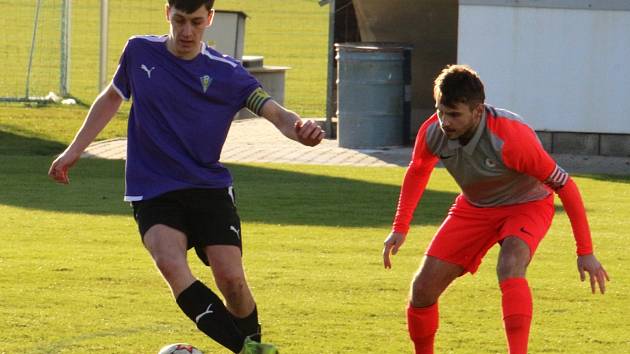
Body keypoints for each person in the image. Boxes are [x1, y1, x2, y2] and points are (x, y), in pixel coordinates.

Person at [48, 1, 325, 353]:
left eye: (196, 22)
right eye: (179, 21)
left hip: (208, 188)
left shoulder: (228, 73)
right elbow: (112, 97)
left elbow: (278, 114)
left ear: (210, 18)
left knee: (232, 281)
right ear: (168, 14)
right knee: (171, 265)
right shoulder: (139, 52)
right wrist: (74, 150)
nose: (187, 32)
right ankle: (252, 350)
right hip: (153, 189)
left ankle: (249, 346)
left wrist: (301, 129)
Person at [382, 64, 609, 354]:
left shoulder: (512, 138)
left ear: (477, 112)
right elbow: (418, 170)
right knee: (422, 290)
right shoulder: (432, 132)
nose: (444, 122)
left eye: (454, 114)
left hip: (526, 204)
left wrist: (585, 251)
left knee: (510, 265)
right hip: (474, 207)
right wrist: (400, 228)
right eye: (440, 111)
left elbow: (566, 186)